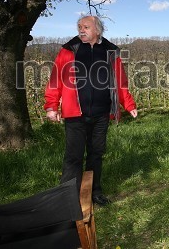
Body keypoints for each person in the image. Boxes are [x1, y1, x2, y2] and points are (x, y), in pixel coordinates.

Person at [44, 15, 137, 206]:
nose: (81, 30)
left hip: (102, 113)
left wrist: (129, 104)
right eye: (79, 26)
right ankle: (68, 198)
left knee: (96, 154)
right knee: (74, 156)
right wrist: (51, 105)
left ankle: (94, 192)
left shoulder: (110, 51)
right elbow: (55, 79)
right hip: (75, 114)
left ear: (97, 30)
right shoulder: (69, 50)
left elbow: (121, 81)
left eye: (86, 26)